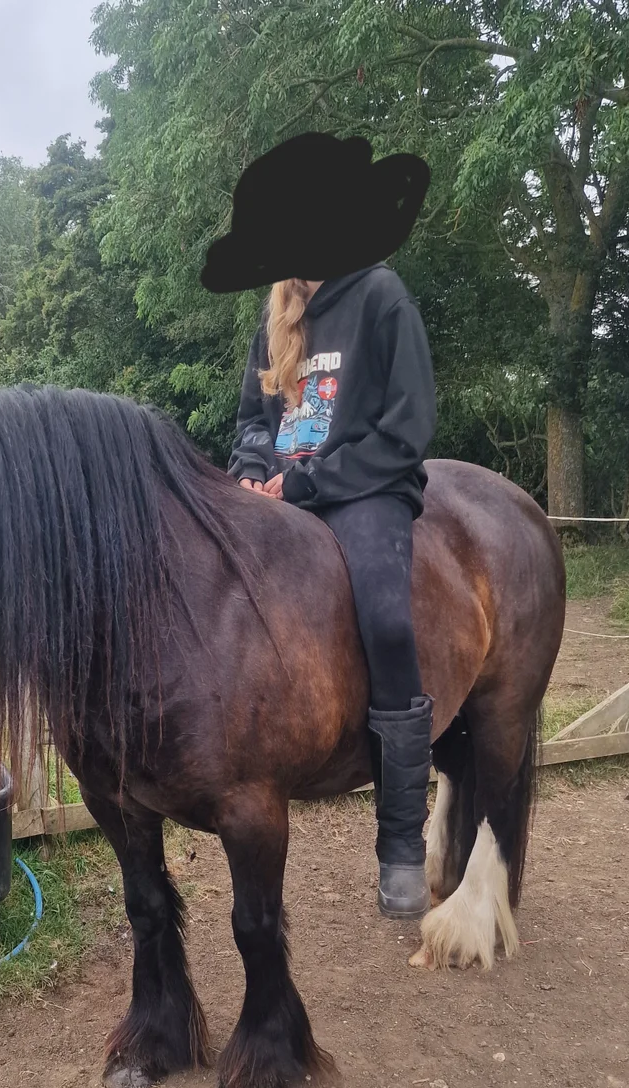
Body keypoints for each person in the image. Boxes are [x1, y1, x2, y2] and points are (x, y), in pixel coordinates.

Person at [202, 132, 437, 919]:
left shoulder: (382, 296)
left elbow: (406, 427)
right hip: (283, 492)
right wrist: (246, 480)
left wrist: (305, 482)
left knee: (386, 618)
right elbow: (250, 424)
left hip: (365, 489)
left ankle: (402, 839)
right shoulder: (272, 314)